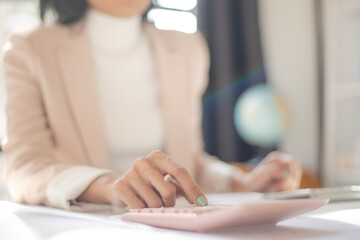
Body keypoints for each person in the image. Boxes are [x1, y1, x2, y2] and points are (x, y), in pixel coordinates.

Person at [1, 0, 302, 210]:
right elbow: (26, 167)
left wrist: (242, 182)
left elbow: (191, 162)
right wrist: (108, 186)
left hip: (170, 226)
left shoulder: (188, 48)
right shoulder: (28, 49)